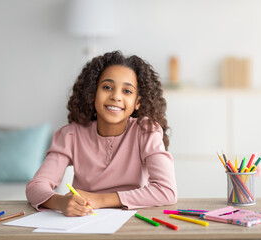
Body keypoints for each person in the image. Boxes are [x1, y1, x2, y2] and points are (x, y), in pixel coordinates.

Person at [26, 51, 177, 216]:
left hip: (133, 220)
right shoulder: (71, 135)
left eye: (127, 91)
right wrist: (61, 202)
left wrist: (99, 200)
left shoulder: (146, 131)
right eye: (107, 87)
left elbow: (166, 190)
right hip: (83, 220)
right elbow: (36, 186)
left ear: (137, 102)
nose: (115, 97)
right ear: (93, 93)